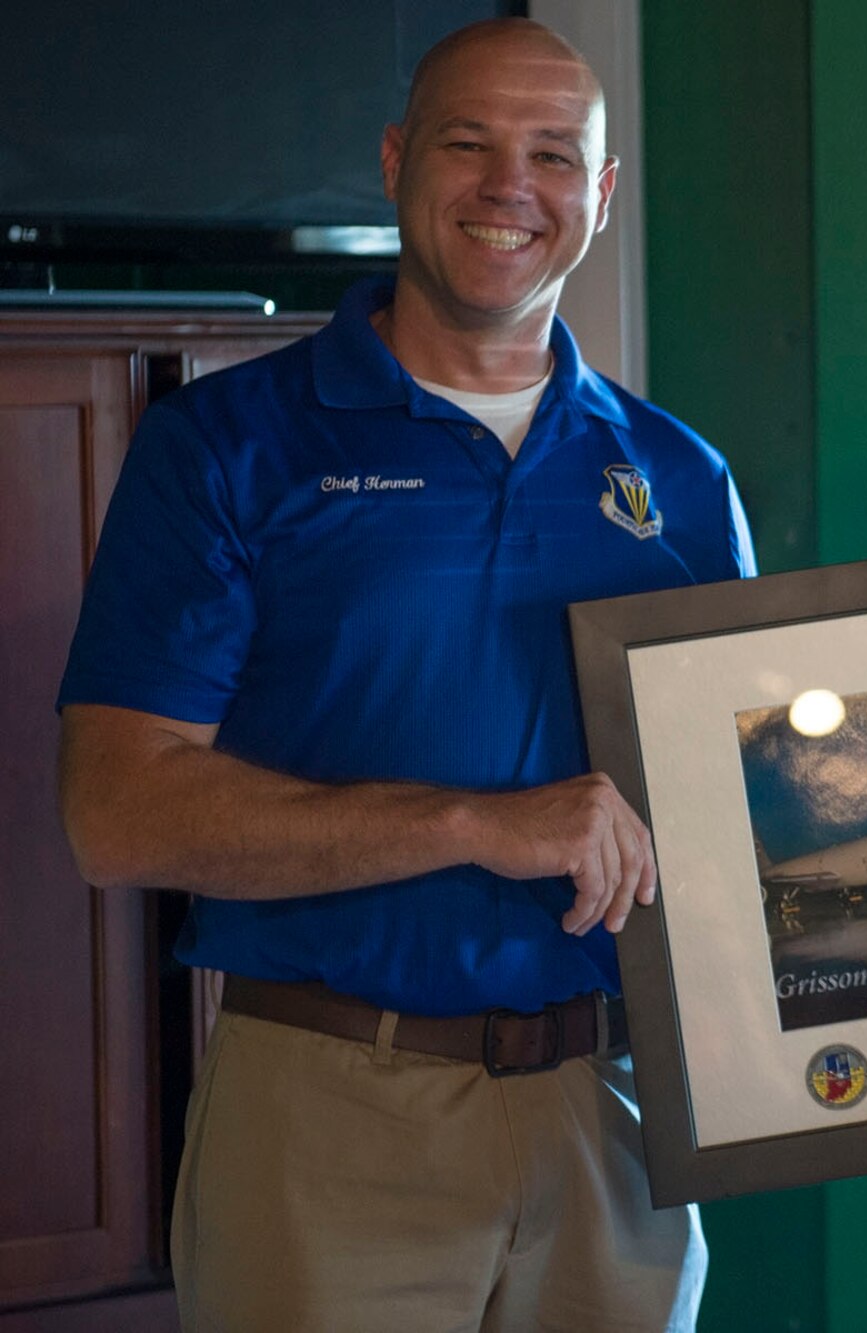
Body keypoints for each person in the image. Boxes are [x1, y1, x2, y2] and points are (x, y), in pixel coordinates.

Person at [55, 19, 751, 1331]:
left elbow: (727, 826)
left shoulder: (681, 479)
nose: (510, 187)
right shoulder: (225, 446)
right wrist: (477, 824)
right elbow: (116, 810)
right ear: (393, 162)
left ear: (601, 197)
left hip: (610, 1120)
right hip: (328, 1109)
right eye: (468, 144)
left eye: (554, 155)